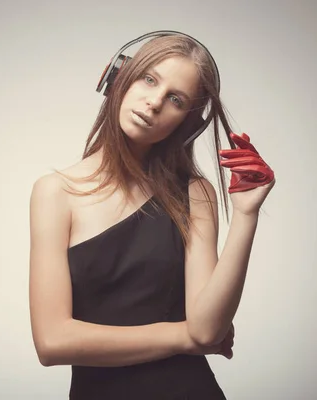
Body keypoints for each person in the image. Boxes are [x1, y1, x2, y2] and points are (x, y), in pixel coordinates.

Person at [29, 31, 275, 399]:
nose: (155, 102)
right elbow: (52, 342)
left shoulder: (195, 194)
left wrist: (246, 214)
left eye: (176, 99)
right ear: (118, 77)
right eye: (149, 79)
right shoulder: (55, 192)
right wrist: (183, 336)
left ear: (186, 121)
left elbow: (207, 330)